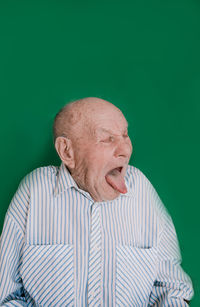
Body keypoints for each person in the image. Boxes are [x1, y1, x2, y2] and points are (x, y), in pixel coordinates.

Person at [0, 97, 194, 306]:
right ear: (67, 151)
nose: (125, 150)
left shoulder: (141, 190)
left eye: (125, 135)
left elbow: (170, 288)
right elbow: (6, 294)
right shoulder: (35, 191)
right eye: (107, 139)